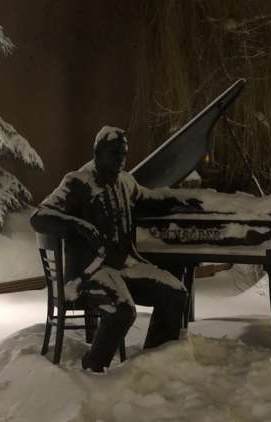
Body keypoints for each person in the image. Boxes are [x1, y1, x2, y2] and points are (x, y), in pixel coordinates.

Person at [30, 126, 201, 372]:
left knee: (175, 293)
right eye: (115, 153)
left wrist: (179, 200)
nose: (121, 159)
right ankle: (93, 367)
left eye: (123, 154)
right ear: (98, 153)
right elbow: (39, 217)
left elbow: (149, 199)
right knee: (123, 310)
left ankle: (151, 365)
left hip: (125, 266)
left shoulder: (125, 182)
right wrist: (78, 225)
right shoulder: (77, 182)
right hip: (88, 275)